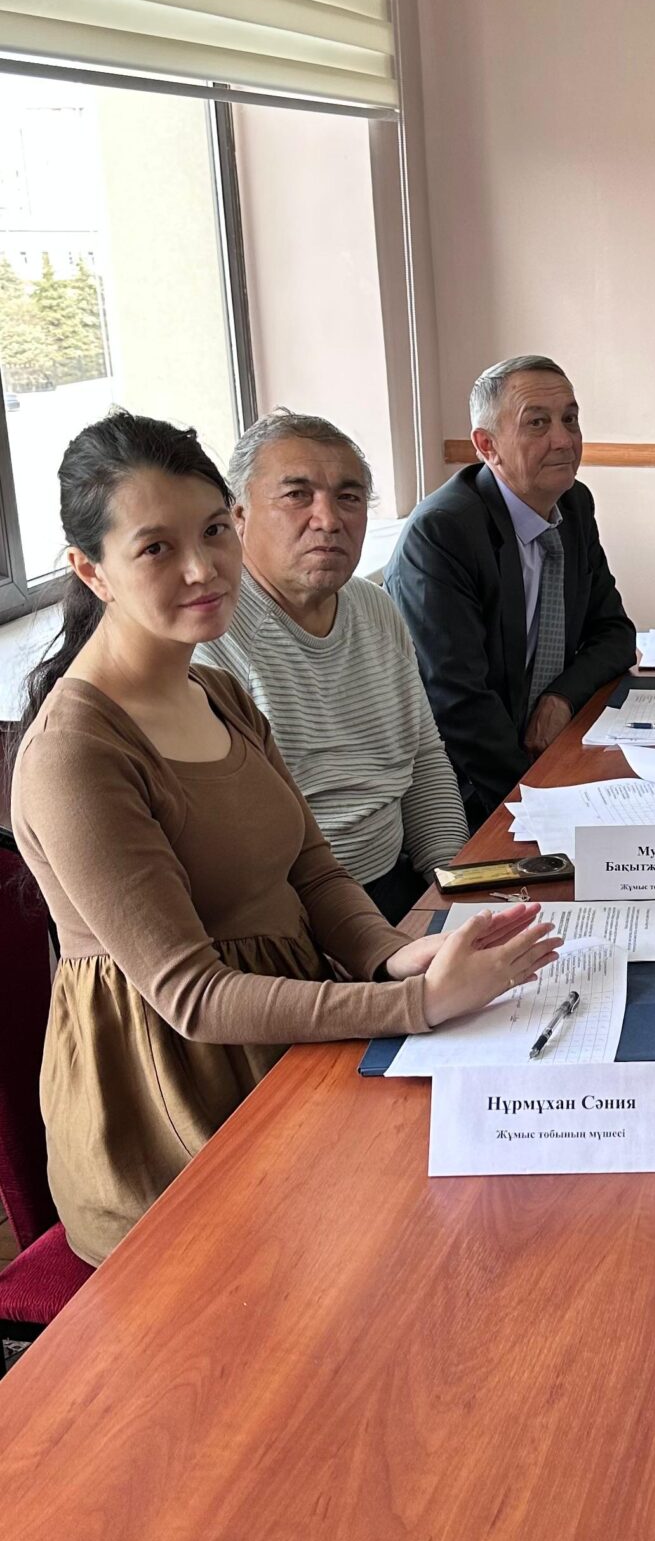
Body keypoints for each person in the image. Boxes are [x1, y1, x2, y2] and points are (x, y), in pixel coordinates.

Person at [9, 413, 558, 1267]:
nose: (203, 568)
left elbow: (314, 869)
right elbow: (193, 997)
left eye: (213, 532)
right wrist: (415, 1005)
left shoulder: (218, 695)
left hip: (295, 1032)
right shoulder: (76, 751)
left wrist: (395, 956)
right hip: (179, 1103)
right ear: (92, 571)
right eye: (156, 549)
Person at [197, 410, 467, 923]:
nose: (328, 519)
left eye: (349, 497)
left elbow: (424, 761)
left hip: (398, 885)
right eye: (297, 495)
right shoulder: (212, 637)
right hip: (292, 918)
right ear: (238, 516)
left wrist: (450, 891)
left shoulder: (375, 607)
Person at [386, 356, 636, 826]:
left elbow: (615, 633)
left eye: (570, 419)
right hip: (466, 789)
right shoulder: (443, 532)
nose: (563, 439)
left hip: (552, 753)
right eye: (537, 423)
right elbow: (459, 706)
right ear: (487, 446)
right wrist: (541, 802)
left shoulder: (573, 504)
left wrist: (561, 696)